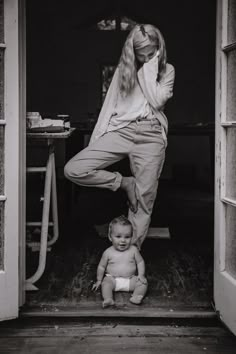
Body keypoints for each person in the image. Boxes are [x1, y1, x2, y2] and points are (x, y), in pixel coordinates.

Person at [64, 23, 175, 249]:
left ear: (159, 49)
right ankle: (125, 183)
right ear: (131, 51)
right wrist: (97, 140)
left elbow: (157, 100)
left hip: (151, 134)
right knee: (73, 169)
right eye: (140, 55)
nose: (145, 59)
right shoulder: (122, 71)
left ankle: (127, 260)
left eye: (151, 54)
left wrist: (149, 67)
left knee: (143, 204)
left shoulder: (167, 70)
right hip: (120, 131)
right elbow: (108, 107)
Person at [92, 215, 148, 307]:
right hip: (113, 280)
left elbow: (140, 262)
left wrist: (141, 275)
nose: (123, 240)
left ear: (132, 237)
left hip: (130, 280)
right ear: (110, 237)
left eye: (127, 237)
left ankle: (137, 296)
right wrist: (99, 280)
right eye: (118, 236)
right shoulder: (108, 252)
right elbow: (101, 266)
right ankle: (108, 299)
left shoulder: (133, 250)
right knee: (105, 284)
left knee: (143, 283)